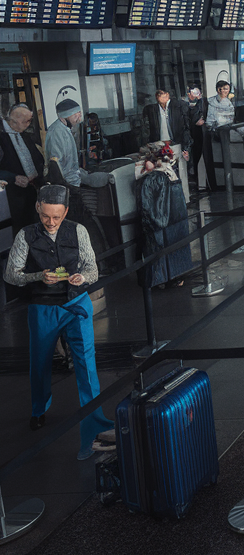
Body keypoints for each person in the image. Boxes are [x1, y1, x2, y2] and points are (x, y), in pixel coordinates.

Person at [7, 185, 112, 459]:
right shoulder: (25, 236)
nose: (51, 223)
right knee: (40, 363)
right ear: (38, 209)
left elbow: (93, 269)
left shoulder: (78, 231)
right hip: (42, 308)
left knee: (87, 366)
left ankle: (95, 424)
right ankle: (39, 408)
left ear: (65, 211)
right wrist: (36, 277)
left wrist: (83, 278)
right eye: (45, 216)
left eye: (56, 217)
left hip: (76, 304)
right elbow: (11, 275)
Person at [0, 104, 44, 230]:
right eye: (26, 121)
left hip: (32, 192)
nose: (29, 124)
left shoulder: (24, 134)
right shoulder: (1, 137)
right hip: (12, 198)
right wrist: (13, 178)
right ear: (14, 121)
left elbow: (37, 158)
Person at [44, 97, 86, 187]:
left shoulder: (65, 129)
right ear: (64, 117)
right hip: (67, 184)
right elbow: (57, 165)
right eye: (75, 116)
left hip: (74, 180)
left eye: (79, 114)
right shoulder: (56, 132)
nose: (79, 119)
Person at [142, 89, 191, 164]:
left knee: (180, 168)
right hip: (159, 145)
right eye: (159, 95)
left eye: (164, 94)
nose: (162, 97)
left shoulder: (179, 107)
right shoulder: (152, 110)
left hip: (176, 144)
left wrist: (185, 146)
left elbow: (186, 127)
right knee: (163, 168)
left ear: (168, 95)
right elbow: (147, 129)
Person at [204, 81, 235, 190]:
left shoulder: (229, 102)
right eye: (223, 89)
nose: (225, 91)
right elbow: (210, 119)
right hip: (215, 131)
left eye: (227, 89)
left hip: (226, 129)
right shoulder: (211, 101)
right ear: (218, 90)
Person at [185, 87, 206, 184]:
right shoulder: (184, 105)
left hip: (201, 133)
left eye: (196, 92)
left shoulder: (203, 102)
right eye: (192, 92)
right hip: (191, 133)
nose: (194, 94)